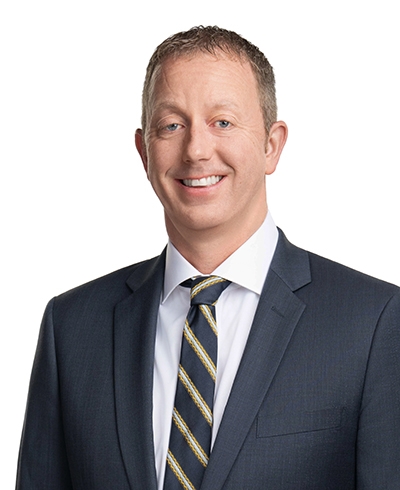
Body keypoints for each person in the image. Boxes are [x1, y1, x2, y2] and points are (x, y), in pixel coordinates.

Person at [16, 26, 400, 490]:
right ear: (144, 152)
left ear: (271, 145)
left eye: (223, 122)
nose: (196, 150)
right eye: (171, 125)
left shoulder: (374, 323)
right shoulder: (71, 328)